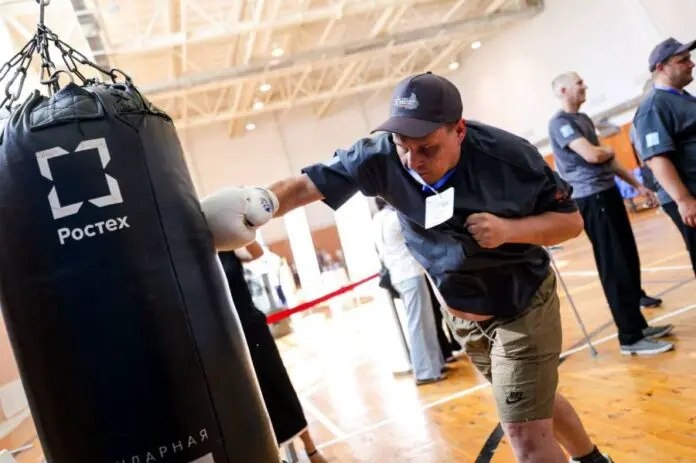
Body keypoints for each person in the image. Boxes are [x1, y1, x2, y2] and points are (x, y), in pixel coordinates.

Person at [202, 72, 617, 463]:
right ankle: (593, 458)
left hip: (522, 307)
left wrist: (510, 230)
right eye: (403, 145)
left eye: (427, 149)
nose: (412, 160)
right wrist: (259, 203)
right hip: (464, 318)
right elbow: (307, 185)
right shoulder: (381, 155)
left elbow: (570, 222)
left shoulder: (510, 158)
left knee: (524, 431)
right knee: (535, 402)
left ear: (459, 130)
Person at [549, 72, 674, 356]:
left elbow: (605, 157)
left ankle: (638, 325)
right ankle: (629, 336)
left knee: (628, 258)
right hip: (592, 199)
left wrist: (638, 185)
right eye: (579, 83)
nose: (585, 86)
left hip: (608, 193)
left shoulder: (583, 119)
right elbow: (592, 155)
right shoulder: (560, 123)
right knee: (614, 264)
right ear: (563, 90)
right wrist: (604, 149)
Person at [218, 242, 328, 463]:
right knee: (248, 400)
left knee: (279, 384)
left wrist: (241, 229)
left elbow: (257, 253)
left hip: (251, 328)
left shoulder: (229, 245)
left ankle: (310, 449)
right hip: (224, 337)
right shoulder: (192, 258)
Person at [632, 37, 696, 277]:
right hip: (689, 195)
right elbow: (657, 158)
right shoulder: (653, 106)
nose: (691, 64)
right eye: (683, 60)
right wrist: (684, 200)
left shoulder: (682, 97)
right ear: (661, 68)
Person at [373, 197, 446, 385]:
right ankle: (425, 372)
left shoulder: (378, 219)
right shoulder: (395, 218)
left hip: (399, 275)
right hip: (410, 273)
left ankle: (434, 366)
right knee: (421, 324)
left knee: (421, 323)